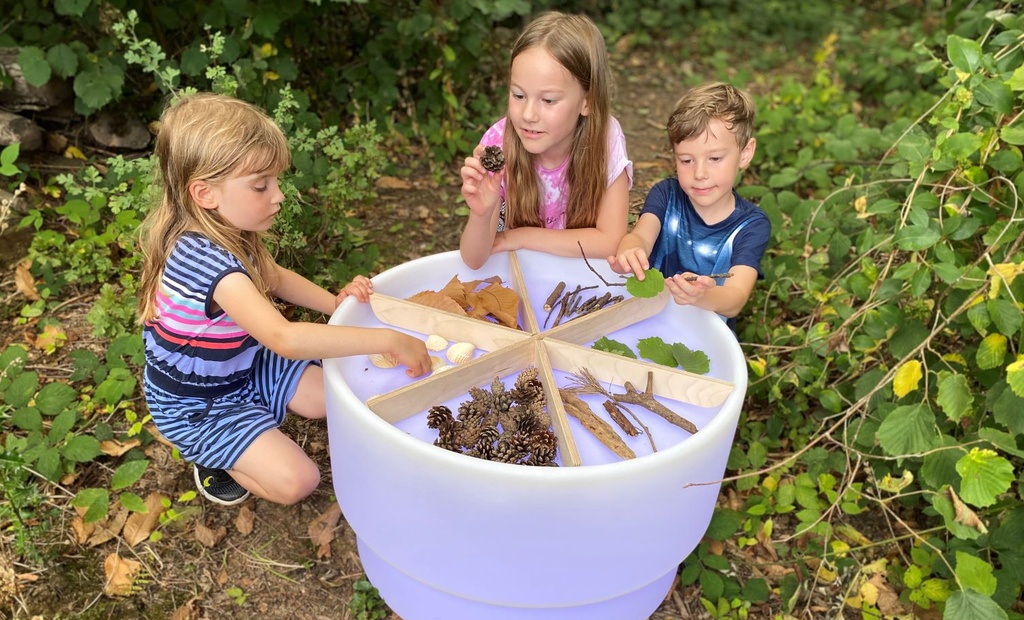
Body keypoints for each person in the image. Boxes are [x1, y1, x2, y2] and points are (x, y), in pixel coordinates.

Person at [137, 93, 431, 507]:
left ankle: (254, 421)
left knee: (334, 394)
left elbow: (275, 278)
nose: (278, 195)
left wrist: (336, 305)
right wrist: (388, 339)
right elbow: (284, 338)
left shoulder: (229, 230)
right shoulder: (209, 265)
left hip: (245, 364)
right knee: (297, 481)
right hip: (200, 405)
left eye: (275, 181)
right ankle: (212, 456)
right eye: (261, 185)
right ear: (204, 193)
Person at [459, 12, 633, 270]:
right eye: (518, 95)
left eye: (548, 100)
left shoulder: (605, 138)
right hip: (522, 275)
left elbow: (610, 241)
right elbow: (474, 260)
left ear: (587, 102)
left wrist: (520, 237)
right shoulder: (498, 144)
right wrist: (481, 214)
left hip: (582, 277)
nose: (528, 115)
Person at [608, 82, 770, 326]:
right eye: (686, 160)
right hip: (648, 317)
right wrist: (630, 252)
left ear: (745, 153)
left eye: (715, 158)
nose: (700, 173)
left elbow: (736, 298)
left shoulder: (751, 225)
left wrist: (702, 296)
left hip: (706, 334)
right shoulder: (666, 194)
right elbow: (640, 236)